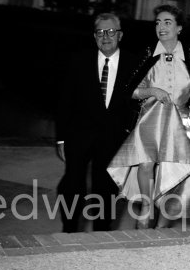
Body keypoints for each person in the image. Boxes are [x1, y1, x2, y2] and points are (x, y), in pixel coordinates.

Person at [107, 4, 190, 228]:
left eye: (167, 22)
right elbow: (131, 90)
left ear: (179, 28)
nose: (161, 27)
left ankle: (162, 226)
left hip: (183, 124)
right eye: (158, 22)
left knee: (176, 174)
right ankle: (146, 207)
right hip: (151, 118)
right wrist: (152, 91)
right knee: (145, 163)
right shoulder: (147, 55)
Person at [55, 12, 137, 232]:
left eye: (111, 31)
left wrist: (131, 135)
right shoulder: (79, 61)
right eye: (100, 32)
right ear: (94, 36)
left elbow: (139, 103)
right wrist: (61, 138)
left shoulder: (134, 64)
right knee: (71, 185)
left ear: (120, 35)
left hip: (114, 137)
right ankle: (70, 229)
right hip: (79, 135)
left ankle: (102, 233)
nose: (106, 36)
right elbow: (65, 101)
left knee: (107, 189)